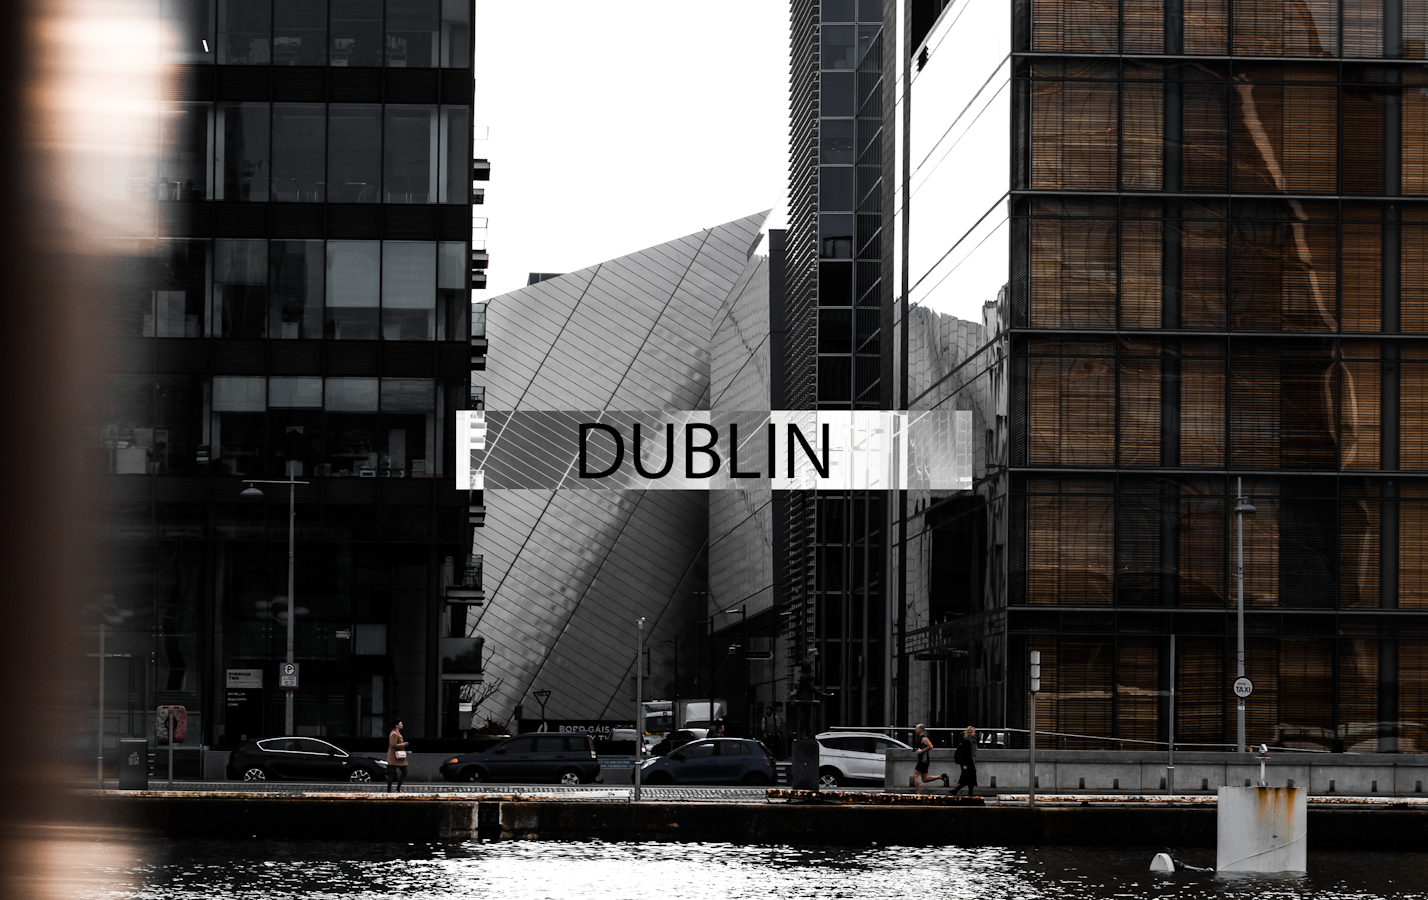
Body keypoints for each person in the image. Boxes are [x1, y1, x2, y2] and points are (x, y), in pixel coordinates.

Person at [908, 723, 949, 794]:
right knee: (925, 779)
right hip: (922, 760)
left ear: (921, 729)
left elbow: (931, 747)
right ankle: (941, 777)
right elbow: (919, 747)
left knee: (915, 776)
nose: (915, 730)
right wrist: (914, 749)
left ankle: (918, 794)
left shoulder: (924, 738)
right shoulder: (919, 738)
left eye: (916, 729)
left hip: (923, 760)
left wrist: (922, 751)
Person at [952, 725, 978, 796]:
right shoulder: (967, 741)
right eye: (973, 731)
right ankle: (969, 793)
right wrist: (964, 764)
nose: (975, 732)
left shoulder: (972, 741)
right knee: (970, 778)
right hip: (968, 762)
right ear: (970, 732)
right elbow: (965, 754)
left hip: (969, 761)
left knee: (967, 779)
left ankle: (956, 790)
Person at [386, 719, 409, 793]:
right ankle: (391, 790)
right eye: (400, 723)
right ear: (396, 725)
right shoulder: (394, 734)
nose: (402, 724)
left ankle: (397, 789)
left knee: (399, 772)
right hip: (394, 756)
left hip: (398, 756)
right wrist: (404, 744)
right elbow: (393, 745)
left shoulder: (397, 733)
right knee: (393, 773)